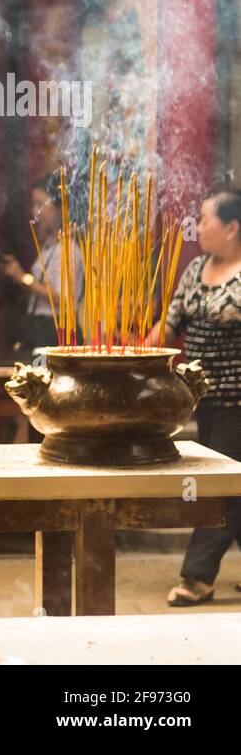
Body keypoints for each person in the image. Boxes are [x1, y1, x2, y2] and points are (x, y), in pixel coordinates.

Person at [161, 187, 241, 607]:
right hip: (204, 398)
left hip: (239, 402)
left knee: (218, 487)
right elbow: (171, 322)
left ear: (232, 227)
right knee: (235, 486)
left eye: (206, 219)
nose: (199, 226)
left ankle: (197, 578)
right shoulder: (195, 268)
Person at [1, 173, 83, 355]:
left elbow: (64, 301)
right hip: (39, 329)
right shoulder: (48, 247)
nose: (34, 211)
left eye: (40, 204)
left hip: (55, 333)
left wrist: (23, 278)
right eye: (33, 204)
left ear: (58, 208)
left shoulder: (68, 250)